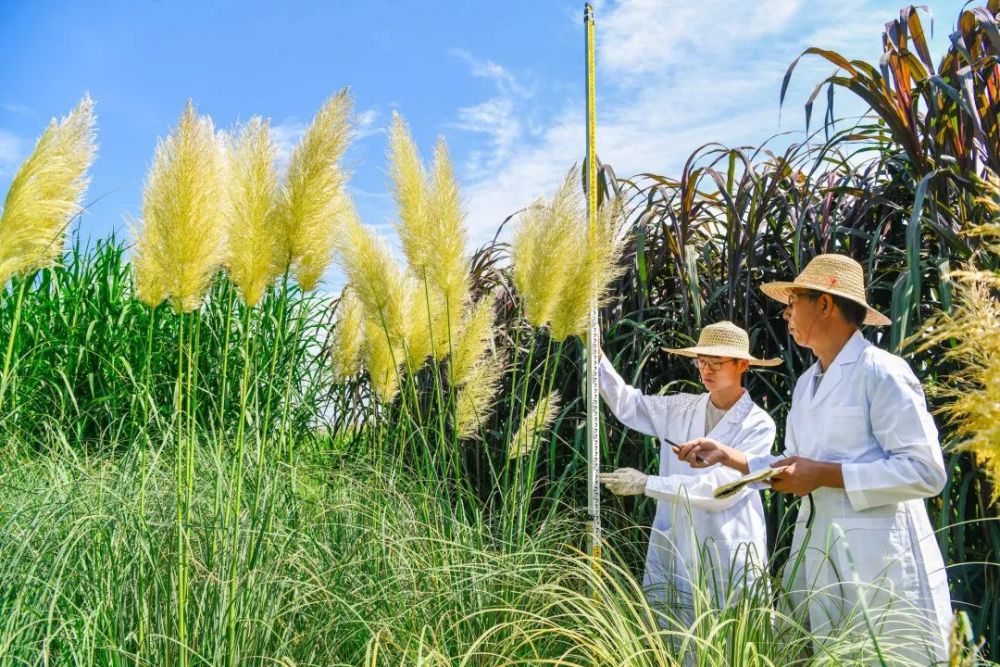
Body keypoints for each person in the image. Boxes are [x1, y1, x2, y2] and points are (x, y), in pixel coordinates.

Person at [676, 254, 952, 663]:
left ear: (825, 304)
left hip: (882, 562)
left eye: (794, 301)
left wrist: (822, 474)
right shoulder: (807, 384)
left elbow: (926, 473)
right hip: (822, 556)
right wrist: (730, 457)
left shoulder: (883, 372)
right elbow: (796, 462)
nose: (786, 312)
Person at [596, 320, 779, 618]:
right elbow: (630, 405)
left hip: (726, 548)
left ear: (742, 365)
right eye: (701, 362)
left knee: (727, 646)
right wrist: (598, 358)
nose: (706, 371)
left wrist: (648, 484)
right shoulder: (680, 407)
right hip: (677, 542)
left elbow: (726, 488)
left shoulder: (758, 424)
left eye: (716, 363)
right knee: (673, 642)